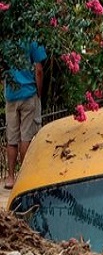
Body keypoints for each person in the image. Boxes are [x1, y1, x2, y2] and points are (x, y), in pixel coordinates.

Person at [4, 40, 47, 189]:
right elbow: (39, 70)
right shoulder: (32, 39)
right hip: (28, 94)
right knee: (26, 137)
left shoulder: (6, 40)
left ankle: (10, 177)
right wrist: (39, 93)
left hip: (11, 96)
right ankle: (24, 176)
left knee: (12, 138)